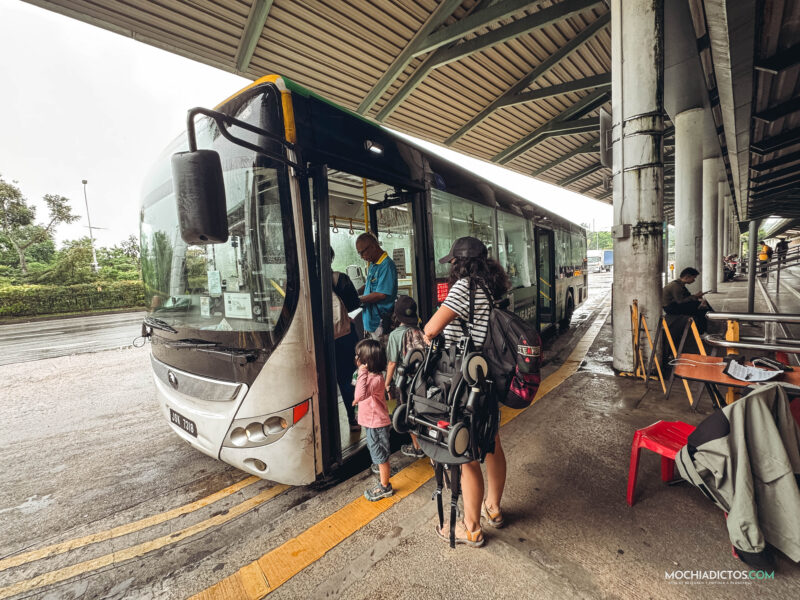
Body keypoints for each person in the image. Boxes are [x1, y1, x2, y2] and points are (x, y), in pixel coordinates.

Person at [422, 236, 510, 547]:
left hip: (464, 382)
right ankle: (494, 509)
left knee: (466, 454)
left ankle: (470, 528)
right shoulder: (492, 289)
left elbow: (431, 330)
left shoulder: (464, 288)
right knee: (492, 443)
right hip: (486, 377)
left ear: (459, 264)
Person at [385, 295, 425, 459]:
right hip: (421, 382)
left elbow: (392, 363)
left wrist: (387, 384)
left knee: (407, 414)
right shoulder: (419, 331)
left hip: (405, 384)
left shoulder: (395, 335)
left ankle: (417, 447)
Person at [353, 338, 393, 501]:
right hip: (373, 423)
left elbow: (360, 395)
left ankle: (385, 487)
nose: (356, 359)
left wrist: (362, 372)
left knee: (380, 456)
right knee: (378, 453)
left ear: (366, 361)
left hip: (376, 425)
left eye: (358, 356)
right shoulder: (372, 376)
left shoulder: (375, 379)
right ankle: (383, 473)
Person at [331, 248, 361, 431]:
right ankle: (353, 419)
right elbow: (354, 304)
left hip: (315, 340)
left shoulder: (303, 282)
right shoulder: (339, 279)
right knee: (346, 379)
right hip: (342, 336)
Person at [355, 232, 398, 340]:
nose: (361, 257)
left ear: (373, 247)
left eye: (362, 252)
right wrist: (355, 292)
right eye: (359, 254)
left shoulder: (386, 265)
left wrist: (358, 300)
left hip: (379, 321)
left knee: (379, 354)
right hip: (370, 320)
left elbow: (381, 294)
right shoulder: (373, 265)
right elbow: (369, 285)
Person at [662, 267, 712, 334]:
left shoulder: (679, 284)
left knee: (702, 304)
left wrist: (696, 297)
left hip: (674, 305)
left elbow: (686, 297)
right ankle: (702, 329)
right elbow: (680, 301)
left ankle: (709, 321)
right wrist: (695, 296)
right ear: (687, 277)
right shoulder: (676, 286)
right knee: (701, 309)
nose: (694, 280)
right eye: (693, 278)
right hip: (670, 307)